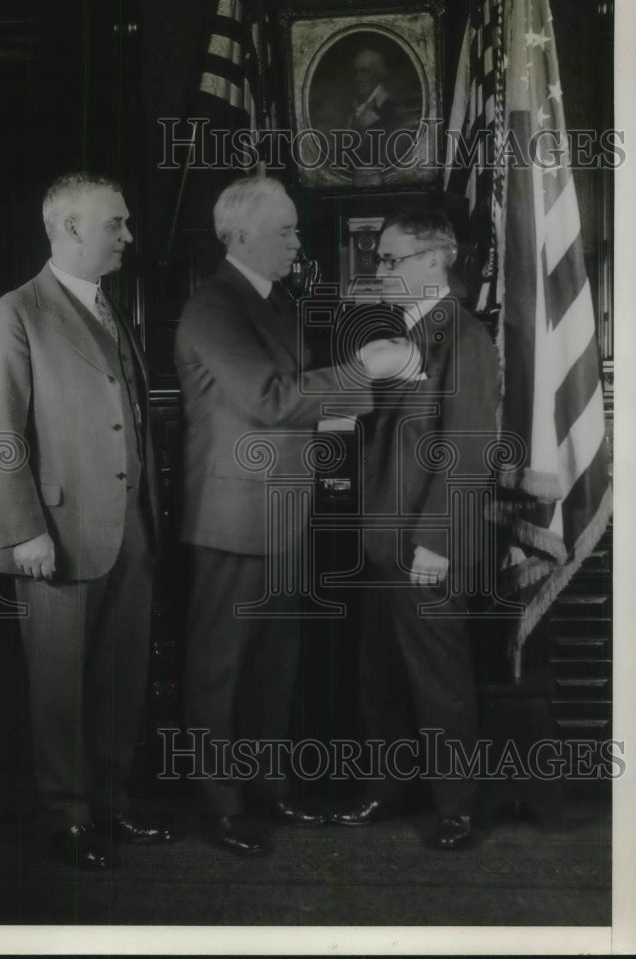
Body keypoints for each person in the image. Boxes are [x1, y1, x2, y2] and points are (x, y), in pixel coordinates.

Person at [174, 176, 422, 856]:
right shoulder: (213, 307)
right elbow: (272, 398)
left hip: (282, 512)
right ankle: (220, 805)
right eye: (284, 229)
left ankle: (267, 790)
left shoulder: (273, 303)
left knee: (272, 666)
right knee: (221, 668)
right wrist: (366, 370)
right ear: (241, 235)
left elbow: (303, 404)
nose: (297, 240)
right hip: (230, 516)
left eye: (293, 228)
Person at [0, 172, 170, 869]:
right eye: (116, 223)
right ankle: (69, 814)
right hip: (54, 534)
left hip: (130, 533)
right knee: (59, 683)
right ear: (73, 227)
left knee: (119, 678)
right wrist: (22, 530)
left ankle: (112, 804)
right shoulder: (15, 314)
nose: (128, 236)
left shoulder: (110, 308)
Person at [331, 208, 500, 850]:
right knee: (379, 672)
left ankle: (455, 804)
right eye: (378, 258)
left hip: (425, 544)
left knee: (437, 676)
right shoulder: (395, 333)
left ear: (437, 260)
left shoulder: (464, 338)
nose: (379, 270)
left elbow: (468, 448)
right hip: (380, 536)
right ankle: (387, 786)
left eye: (391, 259)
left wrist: (437, 541)